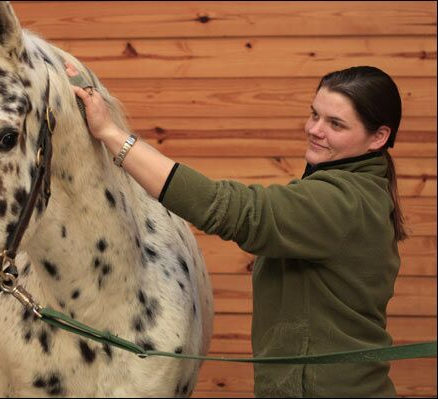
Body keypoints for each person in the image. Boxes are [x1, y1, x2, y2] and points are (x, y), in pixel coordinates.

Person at [66, 63, 407, 397]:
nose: (315, 129)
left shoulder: (343, 202)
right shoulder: (353, 191)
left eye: (335, 124)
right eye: (314, 114)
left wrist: (112, 134)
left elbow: (226, 208)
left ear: (378, 137)